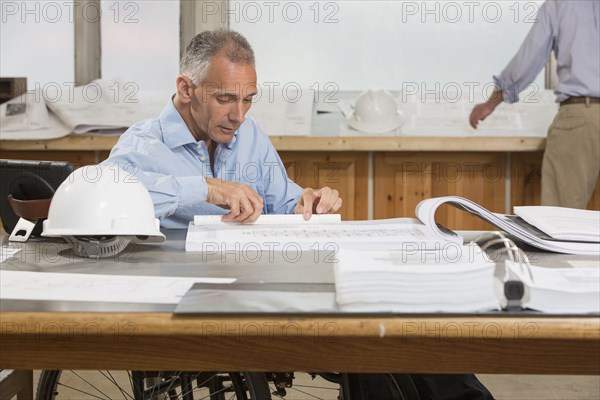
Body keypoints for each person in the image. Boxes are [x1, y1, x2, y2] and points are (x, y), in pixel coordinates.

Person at [102, 29, 341, 228]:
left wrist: (306, 205)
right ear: (186, 89)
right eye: (225, 99)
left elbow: (283, 202)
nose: (239, 116)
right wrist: (205, 189)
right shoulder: (143, 144)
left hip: (246, 276)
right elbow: (101, 196)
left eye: (247, 99)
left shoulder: (250, 134)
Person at [469, 0, 599, 209]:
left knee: (561, 218)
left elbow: (529, 58)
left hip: (581, 117)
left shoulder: (560, 5)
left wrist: (492, 102)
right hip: (583, 116)